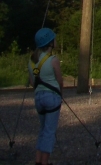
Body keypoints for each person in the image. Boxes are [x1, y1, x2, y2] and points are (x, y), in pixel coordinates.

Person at [29, 27, 63, 165]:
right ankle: (45, 162)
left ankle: (38, 160)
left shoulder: (32, 61)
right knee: (50, 132)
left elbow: (32, 82)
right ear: (50, 43)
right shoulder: (53, 60)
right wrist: (60, 93)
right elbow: (59, 80)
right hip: (52, 97)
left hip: (38, 97)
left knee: (43, 130)